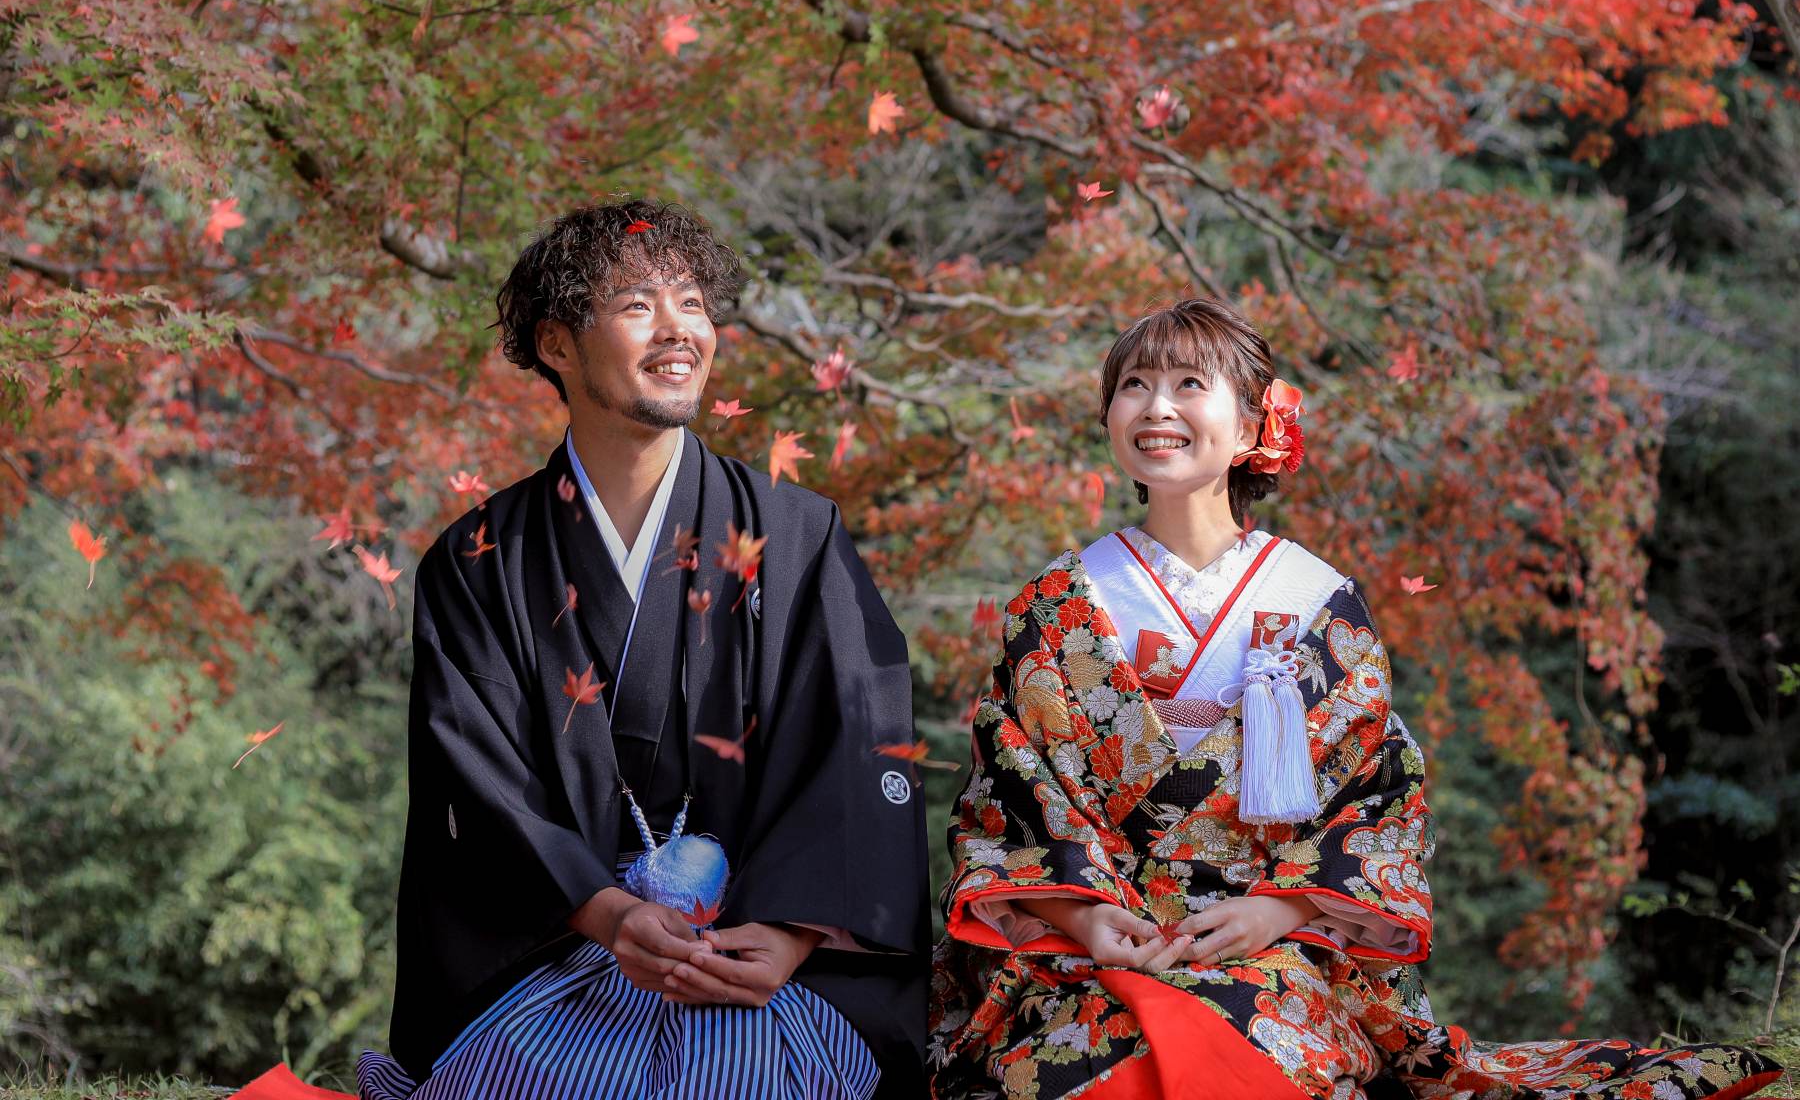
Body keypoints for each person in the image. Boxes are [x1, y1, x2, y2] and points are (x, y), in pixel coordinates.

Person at [925, 298, 1782, 1100]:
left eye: (1188, 384)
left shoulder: (1314, 602)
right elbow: (1007, 797)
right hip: (1093, 947)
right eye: (1134, 386)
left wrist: (1284, 906)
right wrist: (1082, 919)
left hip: (1274, 947)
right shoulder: (1057, 603)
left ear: (1252, 425)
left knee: (1255, 1042)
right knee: (1082, 1056)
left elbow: (1378, 796)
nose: (1157, 407)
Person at [355, 199, 931, 1100]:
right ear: (556, 344)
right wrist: (611, 913)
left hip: (760, 963)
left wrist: (789, 936)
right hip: (557, 956)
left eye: (692, 303)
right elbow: (477, 783)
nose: (678, 331)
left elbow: (860, 744)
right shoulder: (478, 563)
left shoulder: (797, 535)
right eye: (637, 306)